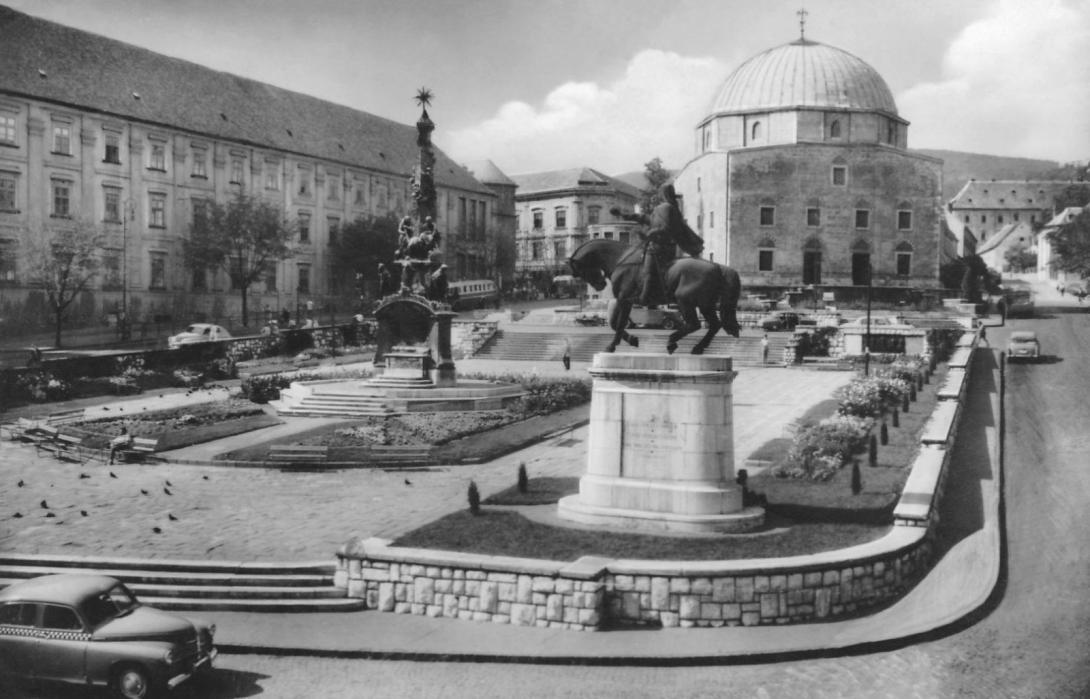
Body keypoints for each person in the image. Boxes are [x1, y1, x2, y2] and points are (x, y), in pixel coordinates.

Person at [639, 183, 704, 307]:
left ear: (663, 194)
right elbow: (650, 220)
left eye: (660, 193)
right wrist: (629, 216)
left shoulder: (666, 207)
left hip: (659, 247)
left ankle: (645, 298)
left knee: (648, 272)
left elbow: (666, 227)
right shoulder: (669, 207)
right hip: (665, 246)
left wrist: (651, 232)